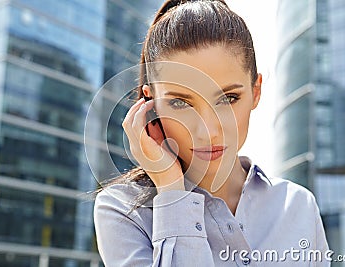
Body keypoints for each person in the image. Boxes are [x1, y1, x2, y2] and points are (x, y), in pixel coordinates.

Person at [93, 0, 330, 266]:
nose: (208, 130)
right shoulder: (124, 212)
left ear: (256, 92)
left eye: (228, 98)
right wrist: (172, 192)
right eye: (180, 103)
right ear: (151, 105)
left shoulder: (298, 206)